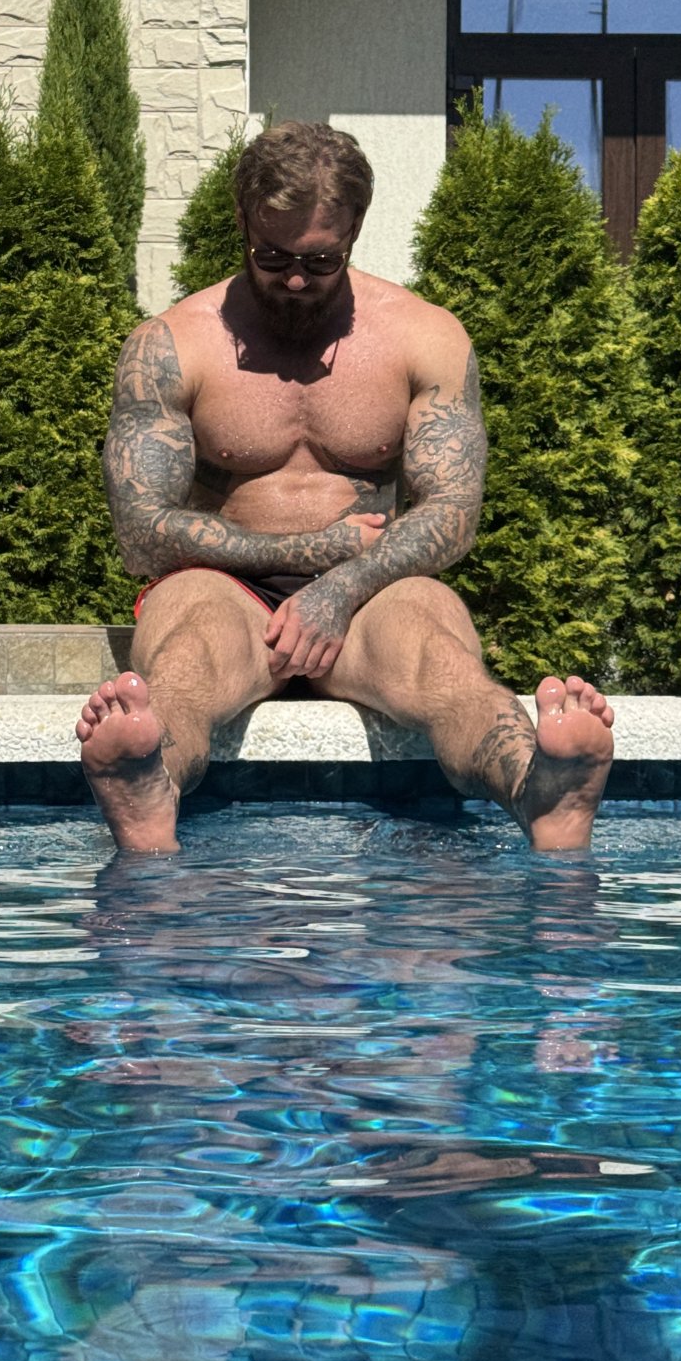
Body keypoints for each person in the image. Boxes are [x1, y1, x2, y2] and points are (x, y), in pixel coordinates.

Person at [75, 121, 614, 854]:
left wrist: (343, 583)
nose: (296, 278)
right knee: (189, 661)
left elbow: (452, 515)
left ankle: (539, 787)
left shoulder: (424, 336)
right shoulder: (173, 344)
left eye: (320, 261)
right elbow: (140, 535)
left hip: (371, 589)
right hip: (224, 586)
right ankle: (147, 781)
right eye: (272, 256)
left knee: (441, 661)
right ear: (243, 222)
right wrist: (312, 549)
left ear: (355, 231)